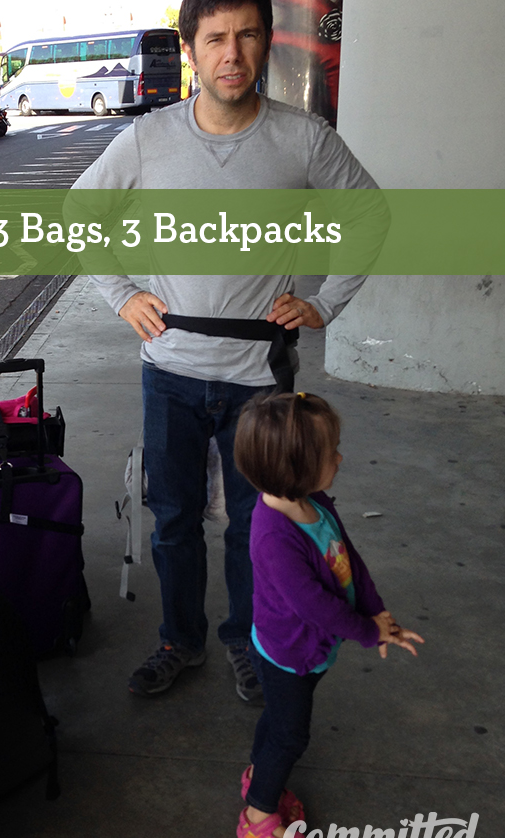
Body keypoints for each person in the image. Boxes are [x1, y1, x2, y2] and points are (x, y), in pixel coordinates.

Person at [67, 0, 389, 701]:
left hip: (259, 383)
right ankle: (178, 639)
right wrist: (121, 293)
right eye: (214, 39)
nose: (231, 54)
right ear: (191, 50)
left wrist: (324, 302)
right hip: (170, 372)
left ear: (265, 43)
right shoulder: (149, 139)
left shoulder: (300, 138)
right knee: (174, 522)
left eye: (246, 36)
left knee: (257, 528)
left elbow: (369, 211)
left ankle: (248, 639)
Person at [232, 391, 423, 838]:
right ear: (294, 467)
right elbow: (314, 606)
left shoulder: (313, 502)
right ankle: (257, 819)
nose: (340, 457)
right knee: (290, 736)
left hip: (309, 650)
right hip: (289, 653)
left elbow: (347, 560)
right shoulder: (274, 534)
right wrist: (366, 631)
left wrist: (378, 613)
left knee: (278, 722)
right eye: (330, 452)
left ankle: (261, 776)